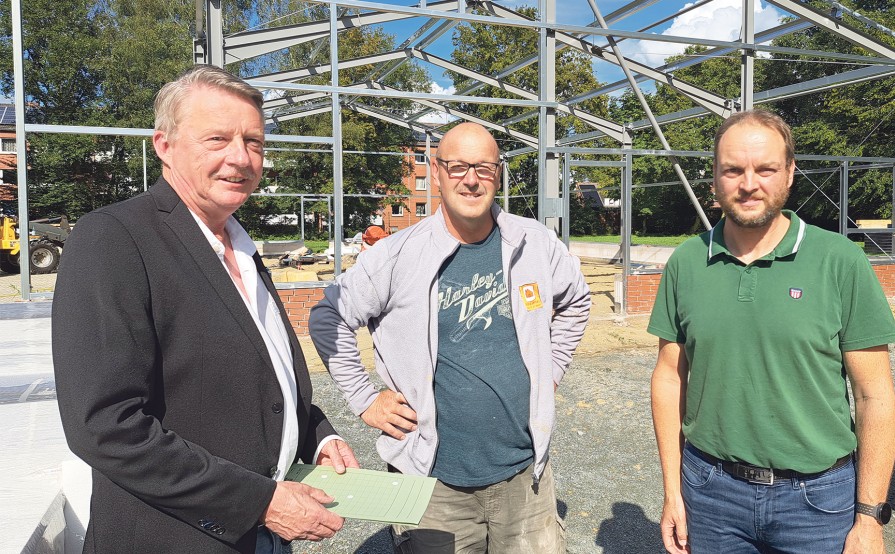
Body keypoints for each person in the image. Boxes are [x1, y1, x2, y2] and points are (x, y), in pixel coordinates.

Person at [51, 65, 359, 554]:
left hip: (262, 535)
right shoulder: (115, 238)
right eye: (217, 139)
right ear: (164, 145)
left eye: (254, 142)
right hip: (174, 540)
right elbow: (105, 425)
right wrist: (258, 502)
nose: (241, 157)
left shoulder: (241, 247)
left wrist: (316, 436)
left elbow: (257, 375)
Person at [309, 122, 591, 553]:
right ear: (437, 171)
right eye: (458, 166)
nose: (471, 180)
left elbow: (576, 300)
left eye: (483, 168)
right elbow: (328, 315)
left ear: (498, 173)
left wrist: (550, 370)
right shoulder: (398, 255)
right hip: (432, 484)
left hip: (525, 476)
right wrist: (365, 399)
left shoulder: (534, 243)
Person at [648, 110, 895, 554]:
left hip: (817, 502)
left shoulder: (839, 260)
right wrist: (672, 491)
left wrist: (869, 517)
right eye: (733, 170)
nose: (749, 184)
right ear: (714, 178)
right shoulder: (686, 263)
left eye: (765, 169)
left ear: (790, 172)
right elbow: (669, 378)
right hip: (710, 493)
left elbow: (873, 395)